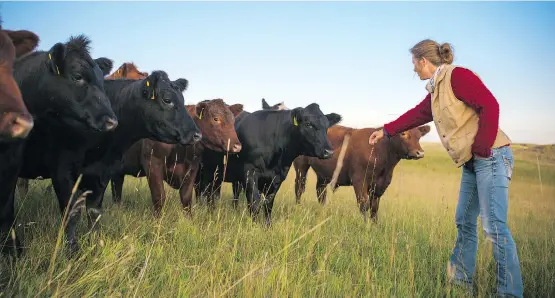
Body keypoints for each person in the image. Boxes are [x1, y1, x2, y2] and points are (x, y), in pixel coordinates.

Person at [368, 39, 523, 297]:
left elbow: (490, 105)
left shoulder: (457, 76)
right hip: (475, 163)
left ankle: (510, 293)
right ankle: (461, 284)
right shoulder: (435, 91)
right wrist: (385, 131)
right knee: (464, 221)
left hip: (492, 156)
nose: (414, 69)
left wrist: (482, 148)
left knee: (494, 227)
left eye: (415, 64)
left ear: (424, 61)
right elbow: (415, 116)